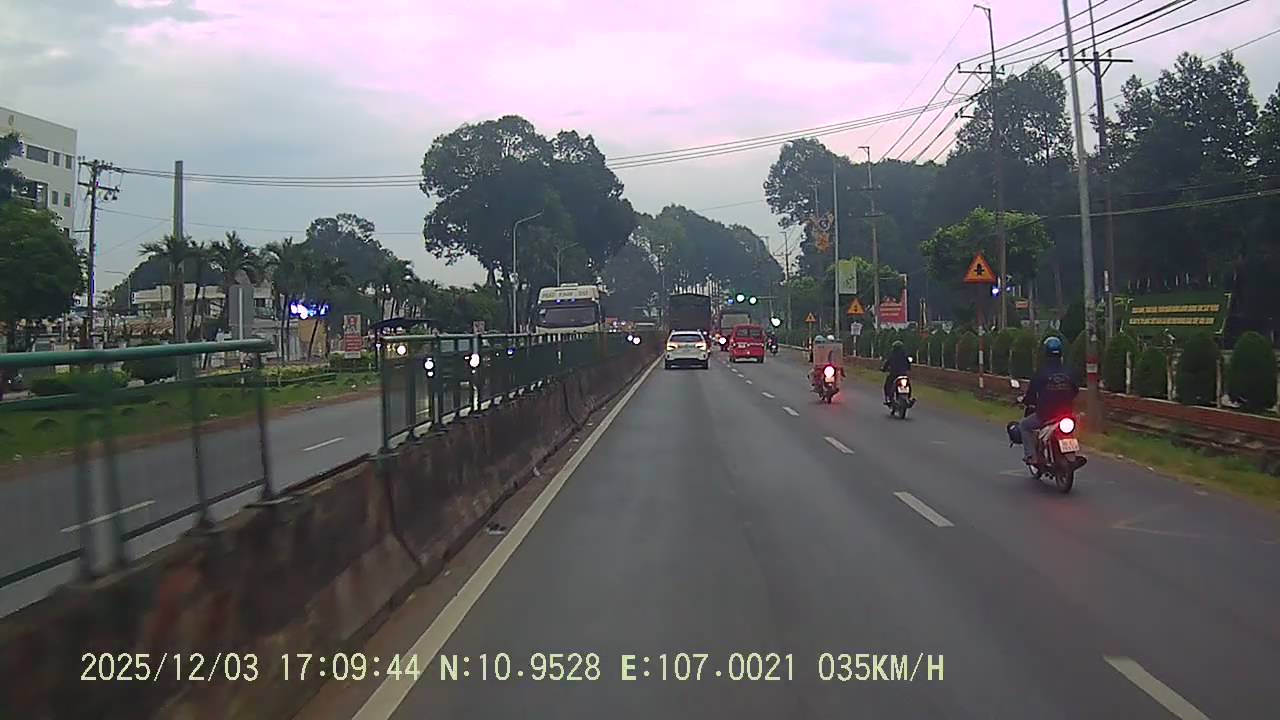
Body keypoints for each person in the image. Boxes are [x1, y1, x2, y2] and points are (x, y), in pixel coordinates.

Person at [1018, 336, 1080, 465]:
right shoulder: (1069, 371)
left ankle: (1031, 456)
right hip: (1067, 415)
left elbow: (1031, 394)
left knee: (1024, 425)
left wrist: (1026, 401)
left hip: (1045, 416)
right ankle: (1070, 456)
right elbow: (1075, 391)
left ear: (1045, 352)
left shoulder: (1041, 373)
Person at [881, 340, 912, 405]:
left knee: (887, 385)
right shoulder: (905, 355)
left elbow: (887, 363)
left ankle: (889, 397)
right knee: (908, 384)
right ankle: (909, 398)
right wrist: (908, 369)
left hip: (894, 374)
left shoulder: (892, 355)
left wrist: (883, 369)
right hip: (903, 374)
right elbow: (908, 365)